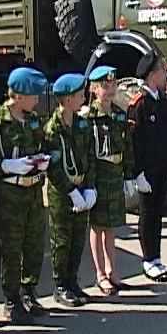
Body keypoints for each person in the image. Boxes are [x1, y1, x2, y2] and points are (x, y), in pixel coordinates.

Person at [0, 67, 50, 324]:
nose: (37, 99)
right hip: (11, 194)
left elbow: (41, 144)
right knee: (12, 249)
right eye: (33, 94)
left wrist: (41, 160)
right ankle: (11, 300)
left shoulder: (33, 119)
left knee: (34, 244)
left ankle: (28, 292)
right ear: (19, 95)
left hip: (33, 192)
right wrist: (6, 165)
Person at [44, 73, 97, 307]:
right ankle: (60, 285)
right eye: (78, 95)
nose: (83, 98)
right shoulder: (51, 129)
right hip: (62, 192)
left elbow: (90, 158)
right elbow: (54, 166)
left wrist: (89, 187)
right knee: (61, 240)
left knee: (77, 239)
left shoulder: (82, 124)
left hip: (81, 186)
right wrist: (70, 191)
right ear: (66, 100)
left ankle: (73, 281)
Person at [128, 51, 167, 282]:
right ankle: (149, 259)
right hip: (147, 171)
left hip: (161, 168)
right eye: (162, 72)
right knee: (147, 215)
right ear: (151, 75)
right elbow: (134, 143)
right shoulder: (138, 105)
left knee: (158, 214)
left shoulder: (162, 103)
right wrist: (136, 173)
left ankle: (157, 257)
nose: (165, 76)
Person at [83, 66, 135, 295]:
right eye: (105, 85)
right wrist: (88, 184)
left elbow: (127, 146)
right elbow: (86, 153)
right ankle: (100, 274)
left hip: (114, 175)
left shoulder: (119, 114)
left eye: (113, 85)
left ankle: (113, 270)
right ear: (94, 89)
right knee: (98, 226)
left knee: (111, 226)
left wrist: (129, 174)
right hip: (98, 175)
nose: (110, 89)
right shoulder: (87, 118)